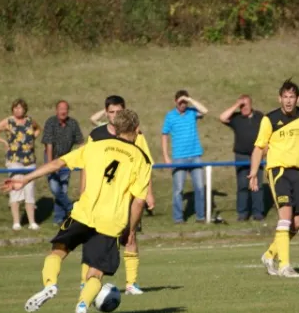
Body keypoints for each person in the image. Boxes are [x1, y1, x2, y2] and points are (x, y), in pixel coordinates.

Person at [2, 109, 152, 313]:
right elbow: (139, 201)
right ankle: (82, 306)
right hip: (111, 222)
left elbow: (58, 163)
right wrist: (130, 229)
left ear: (116, 128)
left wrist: (25, 180)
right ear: (137, 130)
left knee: (59, 250)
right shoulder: (142, 159)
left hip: (83, 213)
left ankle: (50, 284)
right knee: (96, 271)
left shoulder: (94, 147)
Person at [80, 95, 155, 296]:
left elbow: (146, 166)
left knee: (130, 236)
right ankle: (85, 281)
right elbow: (87, 166)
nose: (115, 116)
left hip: (128, 196)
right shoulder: (96, 135)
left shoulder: (137, 136)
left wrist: (149, 194)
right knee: (94, 238)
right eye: (111, 112)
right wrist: (83, 191)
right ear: (106, 113)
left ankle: (131, 283)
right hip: (101, 197)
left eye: (118, 112)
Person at [249, 79, 299, 278]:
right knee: (286, 216)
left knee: (297, 224)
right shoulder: (269, 119)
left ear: (298, 99)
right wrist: (254, 172)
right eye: (285, 97)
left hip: (297, 173)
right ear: (279, 98)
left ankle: (270, 254)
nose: (288, 101)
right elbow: (258, 148)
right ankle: (285, 266)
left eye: (292, 97)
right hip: (277, 171)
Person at [0, 98, 41, 230]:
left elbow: (38, 128)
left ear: (25, 109)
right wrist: (4, 142)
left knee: (29, 190)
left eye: (20, 108)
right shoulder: (8, 121)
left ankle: (32, 221)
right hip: (14, 160)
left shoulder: (29, 120)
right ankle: (16, 222)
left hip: (29, 160)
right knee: (15, 188)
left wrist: (32, 138)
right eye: (16, 108)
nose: (18, 110)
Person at [161, 90, 209, 224]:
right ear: (175, 101)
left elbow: (205, 111)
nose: (183, 105)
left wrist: (190, 100)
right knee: (178, 190)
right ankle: (178, 218)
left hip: (195, 156)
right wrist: (166, 156)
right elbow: (164, 135)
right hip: (179, 157)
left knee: (199, 187)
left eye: (184, 102)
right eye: (180, 102)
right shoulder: (170, 116)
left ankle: (200, 217)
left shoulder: (192, 112)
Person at [219, 95, 265, 221]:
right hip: (241, 156)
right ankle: (242, 213)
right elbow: (222, 117)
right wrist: (236, 105)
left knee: (257, 185)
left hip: (257, 154)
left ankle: (258, 213)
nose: (244, 108)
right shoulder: (236, 118)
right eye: (241, 106)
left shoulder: (260, 117)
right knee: (242, 185)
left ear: (251, 104)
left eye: (246, 105)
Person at [42, 100, 84, 225]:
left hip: (67, 159)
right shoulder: (51, 122)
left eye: (65, 109)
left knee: (64, 189)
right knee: (55, 188)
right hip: (52, 157)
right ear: (56, 110)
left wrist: (84, 158)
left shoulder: (73, 123)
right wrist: (50, 164)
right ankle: (71, 208)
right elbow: (48, 144)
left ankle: (59, 218)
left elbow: (80, 142)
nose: (63, 111)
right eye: (61, 109)